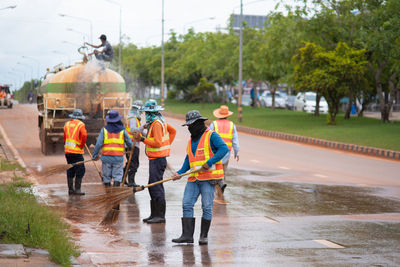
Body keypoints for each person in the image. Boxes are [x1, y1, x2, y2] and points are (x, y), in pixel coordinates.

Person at [171, 110, 229, 245]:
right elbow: (189, 159)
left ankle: (203, 236)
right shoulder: (192, 139)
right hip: (194, 178)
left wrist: (209, 163)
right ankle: (187, 236)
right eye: (188, 126)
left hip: (208, 179)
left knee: (207, 207)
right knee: (186, 204)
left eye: (190, 125)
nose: (189, 128)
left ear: (198, 123)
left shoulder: (211, 135)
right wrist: (179, 173)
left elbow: (223, 149)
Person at [135, 99, 176, 224]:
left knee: (156, 186)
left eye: (146, 112)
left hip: (158, 159)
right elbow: (173, 131)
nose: (145, 115)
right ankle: (154, 214)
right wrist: (167, 144)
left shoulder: (157, 124)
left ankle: (160, 216)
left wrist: (142, 139)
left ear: (150, 113)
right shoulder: (158, 122)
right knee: (153, 185)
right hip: (156, 158)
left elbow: (157, 143)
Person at [92, 110, 133, 187]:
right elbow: (129, 143)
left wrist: (94, 155)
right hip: (118, 158)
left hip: (106, 157)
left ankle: (108, 194)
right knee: (117, 176)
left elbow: (98, 144)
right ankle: (115, 194)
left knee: (106, 177)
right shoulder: (122, 130)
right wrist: (131, 149)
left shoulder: (104, 130)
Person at [210, 105, 240, 194]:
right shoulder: (232, 125)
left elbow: (208, 137)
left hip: (215, 152)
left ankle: (215, 189)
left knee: (214, 171)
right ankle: (221, 187)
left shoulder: (214, 124)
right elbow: (235, 140)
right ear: (227, 115)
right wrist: (236, 152)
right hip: (226, 153)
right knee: (223, 171)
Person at [63, 109, 87, 195]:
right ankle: (77, 189)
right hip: (77, 152)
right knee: (81, 170)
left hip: (68, 151)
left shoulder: (67, 124)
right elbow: (84, 135)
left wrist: (66, 146)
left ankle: (70, 189)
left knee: (70, 168)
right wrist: (81, 145)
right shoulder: (81, 124)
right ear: (80, 117)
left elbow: (65, 137)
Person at [124, 100, 145, 187]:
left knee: (130, 162)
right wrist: (143, 127)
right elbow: (133, 130)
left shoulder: (135, 118)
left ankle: (122, 177)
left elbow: (139, 131)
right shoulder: (133, 119)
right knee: (134, 164)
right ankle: (131, 181)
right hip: (131, 145)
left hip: (133, 144)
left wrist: (147, 135)